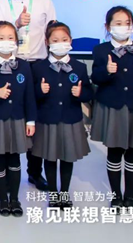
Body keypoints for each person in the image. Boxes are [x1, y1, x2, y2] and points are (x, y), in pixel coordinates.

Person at [0, 0, 56, 191]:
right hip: (12, 65)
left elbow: (53, 33)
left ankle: (35, 172)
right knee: (15, 114)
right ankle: (11, 162)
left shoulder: (44, 1)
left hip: (38, 64)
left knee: (37, 117)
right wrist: (16, 24)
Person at [90, 6, 133, 215]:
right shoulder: (101, 50)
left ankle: (130, 197)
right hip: (112, 107)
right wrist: (107, 71)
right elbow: (95, 78)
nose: (123, 27)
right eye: (118, 23)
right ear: (108, 27)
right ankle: (116, 197)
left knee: (132, 152)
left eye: (127, 23)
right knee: (114, 152)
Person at [32, 21, 92, 209]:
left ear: (70, 41)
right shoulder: (39, 67)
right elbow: (30, 96)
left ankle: (64, 193)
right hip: (47, 119)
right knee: (50, 158)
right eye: (55, 40)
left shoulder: (79, 67)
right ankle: (53, 194)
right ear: (47, 42)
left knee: (67, 158)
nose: (60, 43)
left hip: (70, 119)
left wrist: (80, 93)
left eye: (64, 39)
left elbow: (89, 93)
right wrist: (39, 90)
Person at [0, 22, 36, 217]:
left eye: (10, 37)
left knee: (15, 159)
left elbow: (30, 95)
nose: (6, 41)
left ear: (16, 40)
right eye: (1, 38)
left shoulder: (24, 66)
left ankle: (15, 200)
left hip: (18, 118)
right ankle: (3, 199)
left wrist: (31, 121)